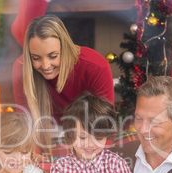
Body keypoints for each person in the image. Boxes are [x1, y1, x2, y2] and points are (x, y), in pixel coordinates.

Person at [12, 14, 114, 149]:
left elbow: (105, 126)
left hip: (88, 137)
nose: (46, 65)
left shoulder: (96, 67)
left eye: (53, 56)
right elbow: (26, 125)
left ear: (65, 48)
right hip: (45, 138)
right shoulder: (21, 68)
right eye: (36, 58)